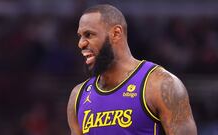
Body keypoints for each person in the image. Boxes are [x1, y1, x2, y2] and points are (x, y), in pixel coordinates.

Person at [67, 4, 197, 135]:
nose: (81, 43)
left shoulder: (161, 85)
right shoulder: (78, 96)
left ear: (116, 33)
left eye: (89, 34)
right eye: (80, 36)